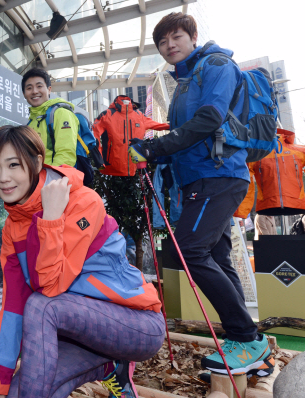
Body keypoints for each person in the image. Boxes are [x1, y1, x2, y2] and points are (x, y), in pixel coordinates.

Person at [128, 12, 273, 376]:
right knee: (217, 257)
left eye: (176, 37)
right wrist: (157, 148)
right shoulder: (185, 82)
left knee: (190, 250)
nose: (169, 46)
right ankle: (243, 343)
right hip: (200, 180)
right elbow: (189, 133)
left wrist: (155, 149)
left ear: (193, 37)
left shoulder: (216, 66)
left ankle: (247, 337)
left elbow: (210, 119)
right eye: (162, 43)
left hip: (219, 175)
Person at [0, 125, 165, 398]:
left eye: (13, 165)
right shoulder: (13, 226)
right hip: (80, 336)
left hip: (137, 324)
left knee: (43, 305)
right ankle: (108, 367)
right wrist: (0, 383)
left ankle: (114, 360)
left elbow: (52, 287)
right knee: (22, 391)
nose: (3, 178)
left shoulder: (83, 201)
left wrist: (52, 217)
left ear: (37, 162)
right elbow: (12, 307)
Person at [22, 68, 79, 168]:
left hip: (52, 180)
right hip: (36, 180)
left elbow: (66, 154)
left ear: (49, 90)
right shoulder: (31, 122)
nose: (35, 91)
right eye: (29, 88)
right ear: (24, 94)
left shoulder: (61, 113)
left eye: (39, 86)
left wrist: (51, 180)